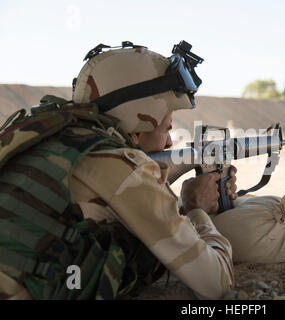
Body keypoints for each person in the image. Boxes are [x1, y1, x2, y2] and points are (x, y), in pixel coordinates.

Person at [0, 41, 237, 300]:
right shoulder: (121, 165)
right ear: (139, 123)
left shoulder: (43, 137)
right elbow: (216, 283)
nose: (170, 142)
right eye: (167, 128)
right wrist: (196, 208)